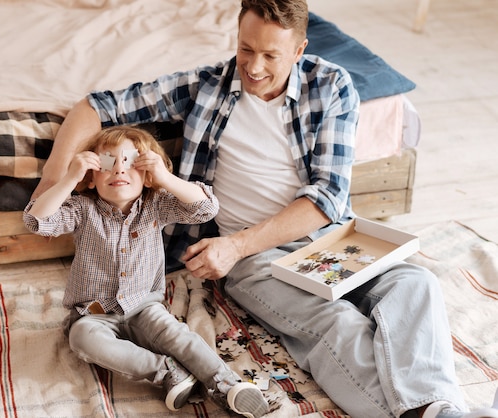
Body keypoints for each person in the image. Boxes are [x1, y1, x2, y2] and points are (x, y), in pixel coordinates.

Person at [32, 1, 498, 417]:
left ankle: (436, 408)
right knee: (335, 323)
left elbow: (328, 198)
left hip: (324, 241)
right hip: (256, 262)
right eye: (245, 49)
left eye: (270, 55)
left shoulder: (331, 87)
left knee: (415, 284)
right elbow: (98, 106)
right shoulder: (209, 85)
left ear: (299, 50)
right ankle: (436, 413)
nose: (253, 67)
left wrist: (234, 245)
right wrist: (56, 184)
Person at [23, 125, 268, 417]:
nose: (119, 171)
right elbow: (35, 221)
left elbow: (206, 208)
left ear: (147, 175)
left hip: (144, 306)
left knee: (178, 336)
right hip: (93, 313)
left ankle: (227, 385)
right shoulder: (81, 209)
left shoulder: (157, 205)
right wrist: (69, 177)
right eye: (108, 163)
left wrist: (164, 177)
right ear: (91, 178)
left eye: (131, 162)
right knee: (82, 339)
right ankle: (167, 371)